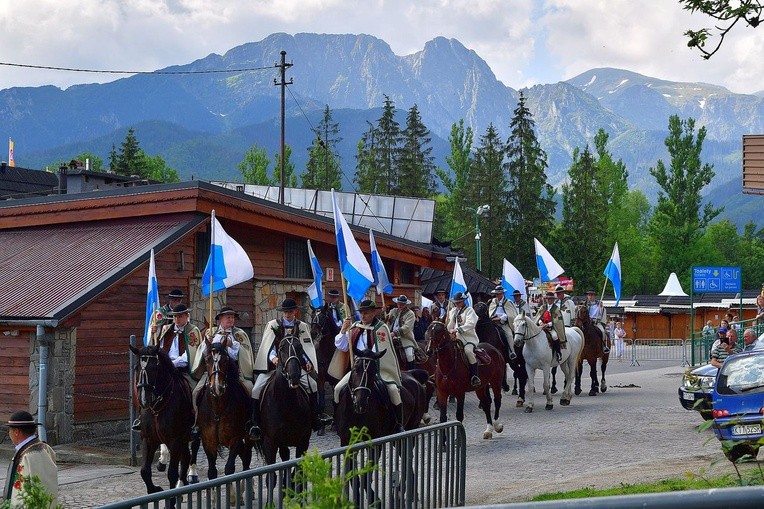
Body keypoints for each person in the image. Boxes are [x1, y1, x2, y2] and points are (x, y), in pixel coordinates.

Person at [249, 298, 331, 441]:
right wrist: (273, 358)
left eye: (290, 311)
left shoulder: (302, 326)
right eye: (286, 312)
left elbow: (305, 348)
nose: (288, 314)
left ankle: (315, 417)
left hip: (296, 366)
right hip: (276, 366)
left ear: (295, 311)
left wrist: (307, 361)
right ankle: (255, 423)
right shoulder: (273, 325)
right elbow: (268, 346)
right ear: (282, 312)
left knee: (312, 385)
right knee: (256, 389)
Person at [330, 299, 405, 432]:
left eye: (366, 313)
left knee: (393, 391)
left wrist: (368, 357)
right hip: (358, 369)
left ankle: (398, 423)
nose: (363, 316)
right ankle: (336, 420)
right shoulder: (354, 327)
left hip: (376, 367)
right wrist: (343, 330)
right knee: (337, 389)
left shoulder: (381, 328)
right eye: (362, 313)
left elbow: (381, 350)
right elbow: (342, 346)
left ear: (373, 313)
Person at [132, 304, 202, 431]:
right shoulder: (165, 329)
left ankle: (195, 420)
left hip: (184, 370)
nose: (177, 319)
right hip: (166, 369)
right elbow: (157, 348)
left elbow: (190, 355)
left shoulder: (193, 331)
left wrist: (171, 363)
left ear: (187, 316)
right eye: (175, 317)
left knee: (194, 391)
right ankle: (142, 418)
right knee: (147, 385)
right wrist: (155, 332)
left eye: (180, 316)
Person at [190, 306, 255, 438]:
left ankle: (251, 422)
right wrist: (208, 342)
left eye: (232, 317)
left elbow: (242, 354)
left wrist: (231, 344)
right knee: (196, 392)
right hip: (213, 372)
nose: (231, 320)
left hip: (234, 372)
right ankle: (197, 423)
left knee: (251, 389)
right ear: (220, 319)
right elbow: (202, 353)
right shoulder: (211, 332)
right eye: (228, 317)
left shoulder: (239, 334)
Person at [3, 411, 58, 508]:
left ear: (16, 432)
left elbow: (26, 492)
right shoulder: (46, 449)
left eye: (10, 430)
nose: (9, 434)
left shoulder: (28, 456)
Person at [446, 292, 482, 387]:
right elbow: (451, 323)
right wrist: (448, 330)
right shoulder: (454, 311)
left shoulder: (469, 310)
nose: (457, 304)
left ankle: (475, 376)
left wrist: (457, 330)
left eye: (459, 302)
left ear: (463, 301)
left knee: (468, 352)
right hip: (456, 338)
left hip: (468, 338)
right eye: (456, 302)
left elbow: (471, 324)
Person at [387, 295, 419, 369]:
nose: (400, 305)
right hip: (390, 337)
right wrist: (383, 312)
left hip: (405, 338)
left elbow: (407, 327)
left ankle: (411, 371)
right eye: (399, 303)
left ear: (406, 304)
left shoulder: (410, 313)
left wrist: (395, 333)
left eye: (402, 304)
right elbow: (386, 320)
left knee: (409, 355)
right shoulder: (393, 311)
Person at [488, 285, 517, 360]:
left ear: (502, 293)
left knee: (509, 335)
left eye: (499, 294)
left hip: (503, 324)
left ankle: (512, 352)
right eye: (497, 294)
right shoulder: (493, 302)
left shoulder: (508, 302)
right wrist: (493, 317)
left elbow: (511, 315)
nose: (498, 295)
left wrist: (501, 318)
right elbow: (490, 311)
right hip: (493, 323)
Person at [534, 291, 565, 362]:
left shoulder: (556, 309)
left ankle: (558, 353)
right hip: (542, 327)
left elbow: (557, 320)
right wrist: (541, 323)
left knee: (554, 336)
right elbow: (538, 317)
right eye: (547, 299)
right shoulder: (543, 307)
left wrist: (548, 324)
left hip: (551, 328)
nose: (548, 300)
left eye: (550, 299)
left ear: (553, 300)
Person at [585, 290, 610, 354]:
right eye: (589, 295)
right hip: (587, 322)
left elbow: (602, 313)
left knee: (603, 331)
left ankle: (604, 346)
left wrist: (600, 308)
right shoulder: (585, 304)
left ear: (594, 296)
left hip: (596, 322)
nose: (590, 297)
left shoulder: (599, 304)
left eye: (592, 295)